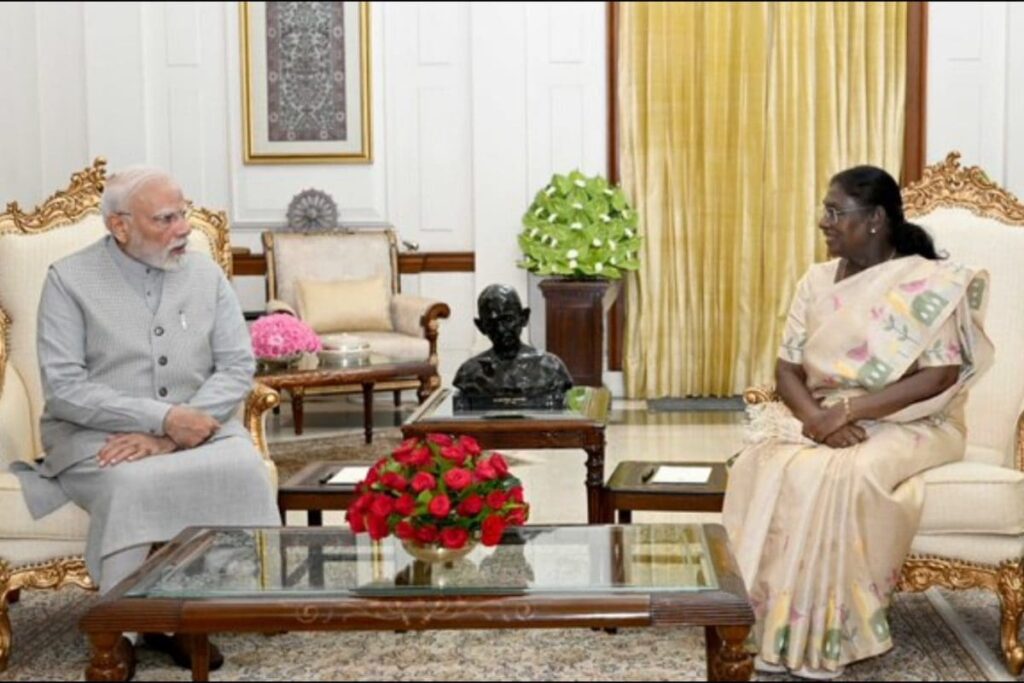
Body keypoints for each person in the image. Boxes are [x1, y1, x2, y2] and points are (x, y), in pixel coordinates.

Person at [722, 165, 994, 679]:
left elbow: (939, 376)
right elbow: (786, 369)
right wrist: (814, 421)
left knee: (843, 473)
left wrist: (848, 412)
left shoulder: (924, 284)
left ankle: (829, 635)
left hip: (916, 419)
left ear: (874, 220)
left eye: (834, 212)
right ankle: (768, 626)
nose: (824, 222)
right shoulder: (816, 281)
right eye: (824, 211)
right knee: (763, 461)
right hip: (821, 414)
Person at [10, 167, 280, 673]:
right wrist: (163, 418)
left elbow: (237, 365)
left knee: (241, 467)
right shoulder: (68, 280)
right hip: (96, 434)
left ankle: (184, 617)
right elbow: (66, 388)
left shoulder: (205, 273)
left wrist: (174, 433)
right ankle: (120, 628)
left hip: (201, 427)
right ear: (119, 226)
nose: (184, 228)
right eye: (165, 218)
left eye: (183, 213)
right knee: (131, 485)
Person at [453, 284, 573, 409]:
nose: (500, 329)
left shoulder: (550, 367)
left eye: (507, 319)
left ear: (524, 318)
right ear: (481, 326)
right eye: (491, 323)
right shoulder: (469, 373)